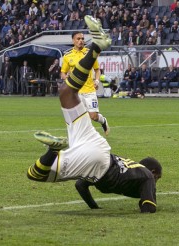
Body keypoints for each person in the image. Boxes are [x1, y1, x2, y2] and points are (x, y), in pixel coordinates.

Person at [26, 16, 162, 213]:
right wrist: (148, 198)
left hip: (98, 148)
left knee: (65, 92)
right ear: (154, 172)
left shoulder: (132, 166)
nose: (156, 181)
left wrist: (94, 208)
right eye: (157, 178)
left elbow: (81, 185)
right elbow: (149, 208)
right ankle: (53, 150)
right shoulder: (147, 177)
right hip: (97, 162)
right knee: (35, 174)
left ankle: (97, 46)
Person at [61, 31, 109, 135]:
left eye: (82, 39)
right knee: (79, 117)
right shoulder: (67, 56)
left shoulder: (90, 54)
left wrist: (97, 81)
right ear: (73, 40)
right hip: (76, 92)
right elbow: (63, 73)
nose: (81, 41)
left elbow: (97, 70)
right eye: (78, 39)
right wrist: (66, 78)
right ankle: (82, 137)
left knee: (94, 116)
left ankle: (103, 121)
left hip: (89, 90)